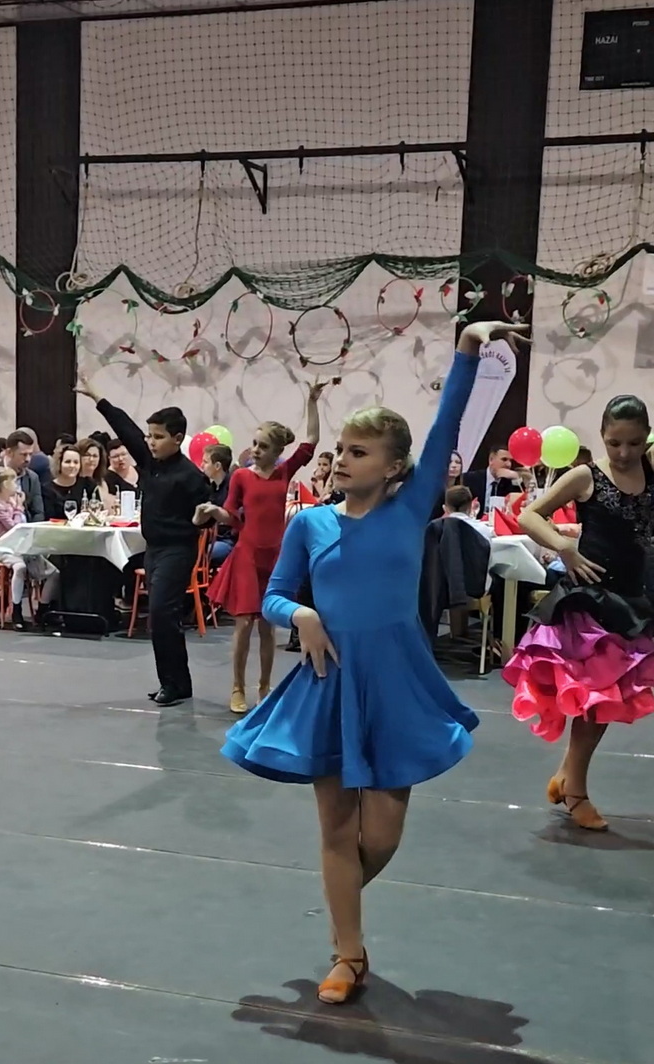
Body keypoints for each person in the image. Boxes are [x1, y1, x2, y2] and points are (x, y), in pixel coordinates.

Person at [222, 321, 528, 1004]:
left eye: (358, 452)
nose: (341, 459)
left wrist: (468, 350)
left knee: (381, 834)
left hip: (395, 685)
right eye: (340, 449)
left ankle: (342, 909)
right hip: (328, 682)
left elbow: (447, 427)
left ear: (393, 468)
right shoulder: (310, 523)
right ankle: (348, 952)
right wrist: (299, 615)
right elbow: (273, 595)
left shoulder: (411, 508)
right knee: (336, 826)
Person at [503, 317, 654, 833]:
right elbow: (530, 515)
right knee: (592, 703)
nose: (624, 452)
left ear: (644, 438)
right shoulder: (586, 475)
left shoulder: (653, 466)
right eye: (614, 443)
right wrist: (564, 545)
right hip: (587, 599)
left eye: (631, 442)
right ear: (603, 437)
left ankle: (567, 776)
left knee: (600, 702)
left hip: (629, 596)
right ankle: (576, 791)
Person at [75, 377, 211, 706]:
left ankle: (174, 683)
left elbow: (208, 513)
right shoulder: (150, 462)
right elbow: (126, 428)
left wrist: (201, 519)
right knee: (161, 617)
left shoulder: (191, 476)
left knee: (163, 614)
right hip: (154, 550)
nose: (151, 442)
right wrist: (98, 398)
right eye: (150, 435)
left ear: (177, 438)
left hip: (178, 550)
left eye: (158, 437)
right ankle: (175, 683)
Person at [198, 385, 322, 714]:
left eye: (263, 446)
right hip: (247, 554)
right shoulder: (240, 476)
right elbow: (231, 513)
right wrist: (215, 512)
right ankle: (237, 686)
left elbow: (311, 441)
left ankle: (265, 687)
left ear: (277, 450)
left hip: (276, 557)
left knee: (268, 625)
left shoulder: (284, 471)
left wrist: (312, 402)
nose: (255, 450)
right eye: (254, 443)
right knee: (243, 624)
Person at [0, 467, 59, 630]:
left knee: (54, 573)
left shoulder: (12, 502)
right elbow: (15, 527)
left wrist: (18, 506)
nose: (16, 485)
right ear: (3, 486)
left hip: (22, 545)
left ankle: (43, 608)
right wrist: (19, 508)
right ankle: (16, 610)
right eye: (12, 482)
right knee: (20, 567)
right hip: (6, 546)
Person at [201, 444, 235, 568]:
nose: (201, 465)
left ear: (217, 466)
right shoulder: (212, 487)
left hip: (227, 540)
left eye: (205, 462)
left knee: (199, 554)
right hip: (211, 538)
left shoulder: (232, 487)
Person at [465, 445, 523, 515]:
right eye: (504, 459)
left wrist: (517, 479)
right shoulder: (470, 478)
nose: (508, 464)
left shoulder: (511, 482)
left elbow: (521, 502)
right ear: (491, 459)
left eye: (510, 461)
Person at [42, 445, 89, 520]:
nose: (72, 465)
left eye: (76, 462)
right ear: (59, 463)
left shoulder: (88, 484)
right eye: (68, 462)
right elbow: (49, 517)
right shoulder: (47, 489)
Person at [77, 437, 112, 507]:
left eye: (95, 456)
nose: (91, 459)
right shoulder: (72, 482)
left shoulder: (102, 484)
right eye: (87, 455)